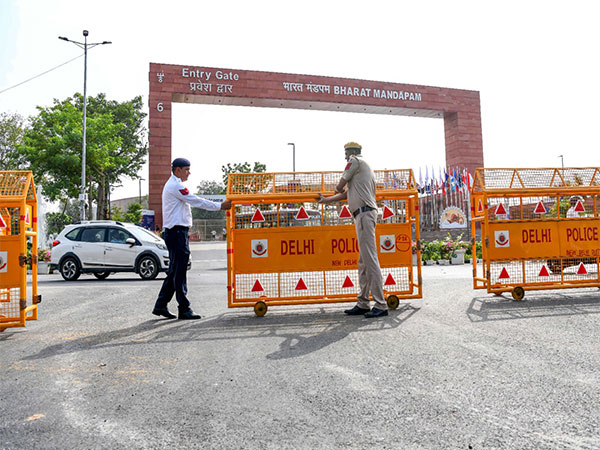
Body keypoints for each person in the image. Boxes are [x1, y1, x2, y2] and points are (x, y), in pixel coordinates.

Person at [152, 158, 232, 320]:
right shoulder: (176, 186)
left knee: (175, 271)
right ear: (178, 170)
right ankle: (184, 308)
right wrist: (219, 206)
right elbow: (196, 200)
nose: (189, 172)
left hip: (175, 232)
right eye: (187, 169)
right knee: (180, 272)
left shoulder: (174, 185)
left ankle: (161, 305)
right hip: (176, 233)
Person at [318, 142, 388, 318]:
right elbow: (344, 194)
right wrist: (326, 200)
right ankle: (363, 302)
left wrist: (337, 187)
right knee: (363, 262)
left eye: (346, 153)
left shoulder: (355, 161)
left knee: (370, 260)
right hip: (362, 215)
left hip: (364, 214)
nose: (345, 157)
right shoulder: (360, 170)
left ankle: (381, 304)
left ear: (353, 153)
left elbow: (340, 187)